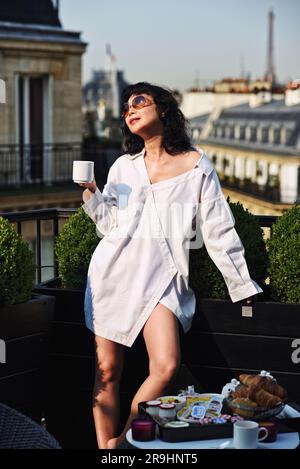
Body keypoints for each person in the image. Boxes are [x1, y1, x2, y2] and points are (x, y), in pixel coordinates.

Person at [78, 82, 263, 449]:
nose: (129, 109)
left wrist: (241, 284)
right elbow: (108, 225)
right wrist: (91, 193)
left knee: (165, 366)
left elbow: (217, 227)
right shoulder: (122, 167)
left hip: (164, 278)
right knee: (107, 372)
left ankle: (125, 439)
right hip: (114, 274)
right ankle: (104, 451)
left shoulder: (196, 164)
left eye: (139, 101)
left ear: (163, 109)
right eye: (125, 107)